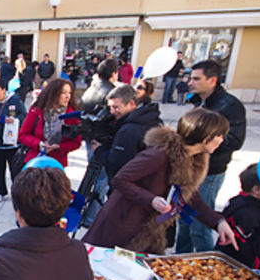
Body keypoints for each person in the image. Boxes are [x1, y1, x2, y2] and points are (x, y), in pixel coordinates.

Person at [83, 108, 238, 253]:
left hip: (149, 230)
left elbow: (190, 197)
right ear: (206, 138)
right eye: (220, 136)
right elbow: (121, 179)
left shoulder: (195, 159)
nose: (222, 140)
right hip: (122, 226)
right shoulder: (158, 155)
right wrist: (151, 199)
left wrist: (218, 222)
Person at [177, 60, 246, 253]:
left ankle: (206, 265)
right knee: (185, 221)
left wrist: (202, 144)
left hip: (210, 172)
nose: (191, 82)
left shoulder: (230, 106)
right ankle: (179, 261)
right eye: (191, 77)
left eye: (196, 78)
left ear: (212, 80)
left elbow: (235, 140)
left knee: (200, 226)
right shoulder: (199, 101)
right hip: (190, 168)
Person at [95, 84, 162, 181]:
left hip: (129, 185)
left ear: (131, 104)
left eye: (116, 107)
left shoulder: (129, 130)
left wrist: (99, 150)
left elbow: (116, 164)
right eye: (110, 107)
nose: (112, 111)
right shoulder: (151, 118)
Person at [17, 78, 82, 168]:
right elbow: (23, 135)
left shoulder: (71, 115)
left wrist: (59, 147)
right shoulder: (37, 111)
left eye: (69, 93)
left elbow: (76, 142)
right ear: (53, 94)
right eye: (63, 93)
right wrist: (38, 144)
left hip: (56, 163)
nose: (67, 96)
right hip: (35, 161)